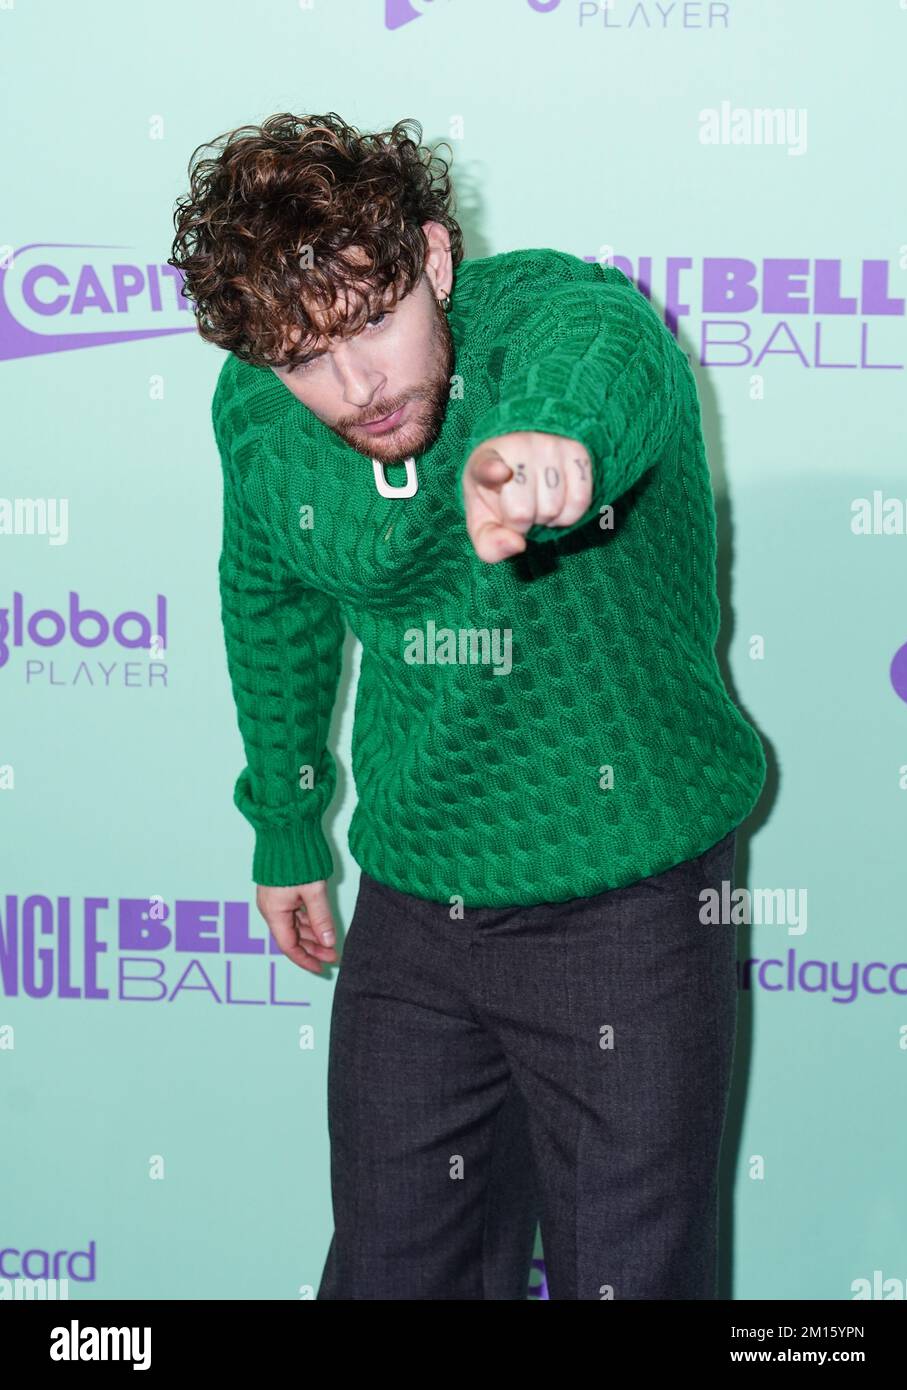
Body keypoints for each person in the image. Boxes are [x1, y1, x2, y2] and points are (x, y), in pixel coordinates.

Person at [169, 111, 767, 1300]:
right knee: (393, 1272)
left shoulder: (551, 320)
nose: (357, 387)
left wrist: (555, 449)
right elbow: (271, 600)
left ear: (435, 259)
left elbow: (607, 354)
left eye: (374, 323)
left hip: (629, 895)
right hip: (420, 895)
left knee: (631, 1278)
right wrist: (287, 823)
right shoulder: (262, 416)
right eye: (304, 357)